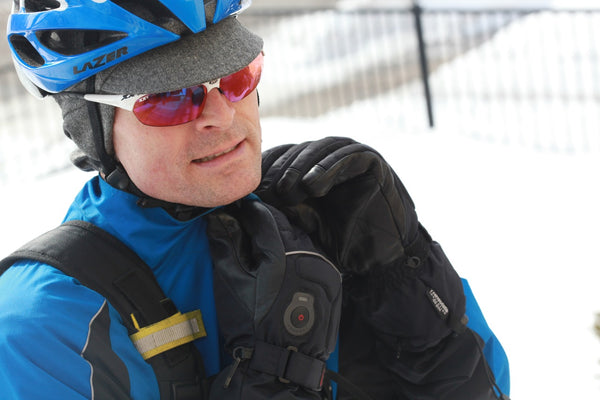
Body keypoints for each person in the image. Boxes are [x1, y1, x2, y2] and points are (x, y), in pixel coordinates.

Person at [0, 1, 510, 399]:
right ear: (92, 129)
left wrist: (405, 279)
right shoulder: (45, 329)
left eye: (235, 76)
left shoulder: (318, 223)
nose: (221, 115)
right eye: (167, 99)